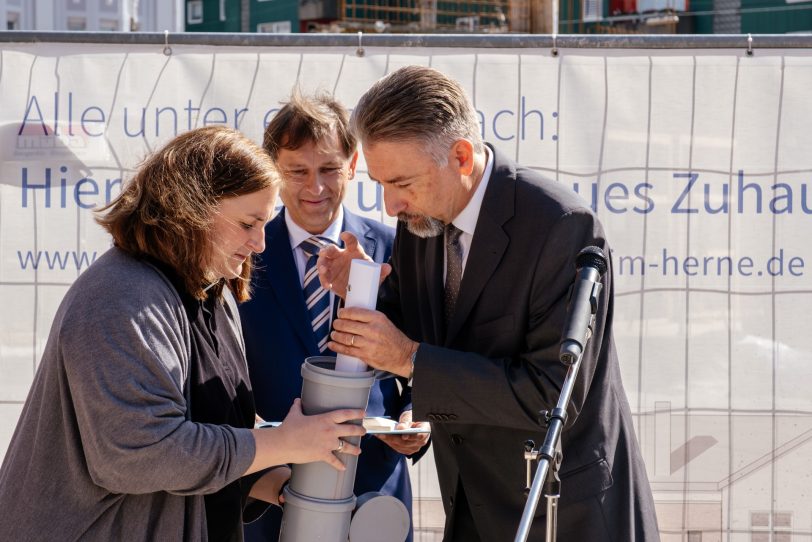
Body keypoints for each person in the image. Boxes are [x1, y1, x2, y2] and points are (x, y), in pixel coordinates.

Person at [318, 66, 660, 541]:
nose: (390, 205)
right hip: (472, 507)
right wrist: (366, 290)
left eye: (401, 183)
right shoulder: (422, 217)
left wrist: (410, 359)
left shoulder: (560, 226)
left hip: (563, 514)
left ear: (460, 156)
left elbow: (551, 391)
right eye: (380, 184)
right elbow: (434, 333)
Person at [0, 126, 366, 542]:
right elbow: (140, 455)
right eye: (249, 223)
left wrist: (282, 481)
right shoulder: (120, 297)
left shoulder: (212, 291)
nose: (261, 243)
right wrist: (283, 444)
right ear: (189, 210)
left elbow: (212, 430)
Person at [239, 91, 429, 542]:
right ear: (273, 170)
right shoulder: (242, 250)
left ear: (353, 162)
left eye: (328, 169)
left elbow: (427, 352)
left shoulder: (402, 248)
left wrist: (416, 415)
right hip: (272, 490)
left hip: (373, 492)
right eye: (297, 171)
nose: (315, 188)